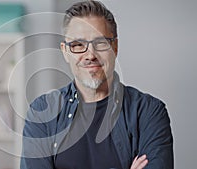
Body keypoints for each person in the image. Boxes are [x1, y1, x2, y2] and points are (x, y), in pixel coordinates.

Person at [20, 1, 173, 169]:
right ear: (65, 51)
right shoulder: (42, 113)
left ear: (114, 47)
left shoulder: (148, 112)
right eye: (78, 45)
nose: (90, 55)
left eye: (100, 43)